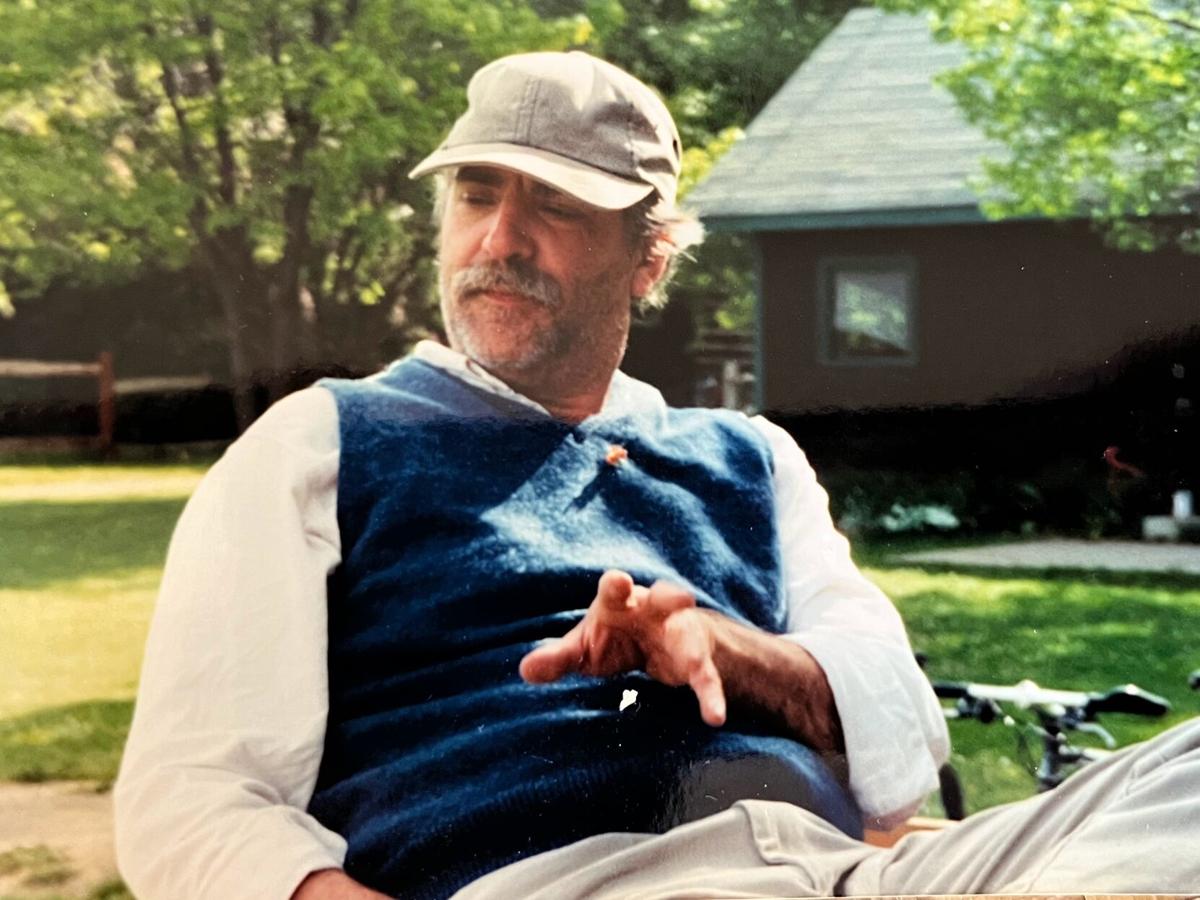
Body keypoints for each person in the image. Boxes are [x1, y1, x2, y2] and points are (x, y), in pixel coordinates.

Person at [116, 50, 1200, 900]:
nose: (501, 238)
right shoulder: (324, 443)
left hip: (845, 873)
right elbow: (196, 796)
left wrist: (735, 652)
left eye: (555, 207)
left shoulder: (750, 457)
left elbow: (904, 741)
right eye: (477, 195)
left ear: (650, 256)